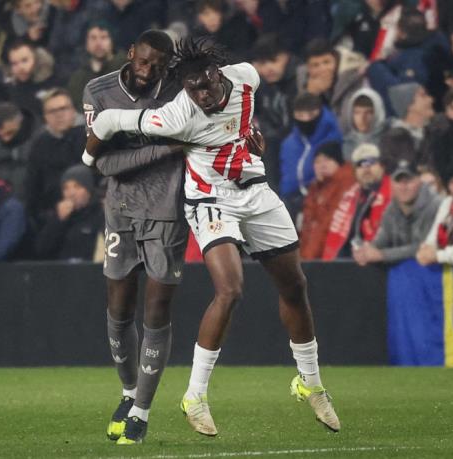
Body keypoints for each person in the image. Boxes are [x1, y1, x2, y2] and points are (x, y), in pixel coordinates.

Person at [85, 37, 341, 438]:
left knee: (295, 286)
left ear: (218, 74)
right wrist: (88, 156)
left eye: (206, 85)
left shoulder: (247, 77)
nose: (202, 95)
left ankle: (310, 382)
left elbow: (242, 120)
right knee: (230, 290)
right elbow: (107, 122)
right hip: (210, 201)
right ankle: (195, 396)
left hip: (255, 190)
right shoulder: (175, 115)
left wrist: (252, 134)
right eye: (193, 89)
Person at [82, 29, 187, 445]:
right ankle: (128, 393)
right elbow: (103, 164)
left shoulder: (180, 89)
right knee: (119, 308)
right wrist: (167, 149)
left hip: (168, 211)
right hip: (121, 209)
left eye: (157, 66)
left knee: (157, 310)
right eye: (143, 62)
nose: (147, 72)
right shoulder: (99, 92)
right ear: (130, 54)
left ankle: (141, 411)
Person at [353, 159, 440, 266]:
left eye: (408, 181)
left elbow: (424, 248)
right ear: (391, 183)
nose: (403, 187)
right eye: (398, 181)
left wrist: (383, 255)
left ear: (419, 181)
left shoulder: (436, 205)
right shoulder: (391, 210)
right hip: (405, 273)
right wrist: (366, 251)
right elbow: (381, 241)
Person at [26, 88, 86, 228]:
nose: (59, 115)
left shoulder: (90, 136)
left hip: (89, 212)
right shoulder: (39, 145)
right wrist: (51, 214)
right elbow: (33, 190)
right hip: (52, 216)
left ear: (73, 111)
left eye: (63, 108)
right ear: (45, 117)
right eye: (52, 111)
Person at [279, 92, 343, 218]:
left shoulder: (333, 139)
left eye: (311, 115)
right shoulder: (289, 143)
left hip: (323, 202)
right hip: (289, 205)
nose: (306, 120)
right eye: (300, 115)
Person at [323, 143, 392, 260]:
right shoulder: (349, 197)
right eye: (360, 164)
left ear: (382, 166)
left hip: (379, 259)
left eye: (371, 162)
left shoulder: (393, 191)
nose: (366, 168)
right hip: (347, 261)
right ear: (355, 171)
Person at [251, 33, 300, 192]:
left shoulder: (299, 79)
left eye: (273, 61)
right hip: (273, 143)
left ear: (286, 57)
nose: (268, 68)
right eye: (263, 63)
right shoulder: (262, 84)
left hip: (296, 142)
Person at [299, 142, 356, 260]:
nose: (322, 165)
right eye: (317, 161)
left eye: (327, 160)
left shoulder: (346, 184)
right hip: (313, 257)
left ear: (338, 162)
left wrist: (307, 260)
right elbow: (308, 227)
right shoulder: (315, 188)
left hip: (332, 257)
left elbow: (327, 225)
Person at [34, 164, 103, 261]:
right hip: (62, 269)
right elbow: (41, 250)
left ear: (88, 190)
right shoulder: (57, 216)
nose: (71, 193)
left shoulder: (100, 215)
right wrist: (58, 221)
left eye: (77, 187)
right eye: (66, 188)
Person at [0, 102, 41, 203]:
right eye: (0, 135)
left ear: (20, 121)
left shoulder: (39, 139)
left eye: (10, 133)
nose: (6, 139)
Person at [295, 38, 363, 120]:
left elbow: (347, 121)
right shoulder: (304, 79)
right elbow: (301, 121)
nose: (323, 69)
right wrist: (311, 95)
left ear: (336, 60)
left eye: (326, 62)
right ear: (308, 68)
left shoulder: (353, 77)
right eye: (316, 65)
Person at [67, 22, 126, 109]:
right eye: (93, 38)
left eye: (103, 37)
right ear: (86, 43)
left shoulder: (126, 69)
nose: (98, 43)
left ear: (112, 42)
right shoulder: (78, 77)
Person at [341, 88, 388, 160]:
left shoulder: (390, 141)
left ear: (378, 113)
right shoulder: (346, 144)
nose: (362, 118)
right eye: (357, 112)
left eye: (369, 112)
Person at [387, 82, 434, 150]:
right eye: (423, 96)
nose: (430, 99)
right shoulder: (395, 141)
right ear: (409, 105)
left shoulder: (434, 132)